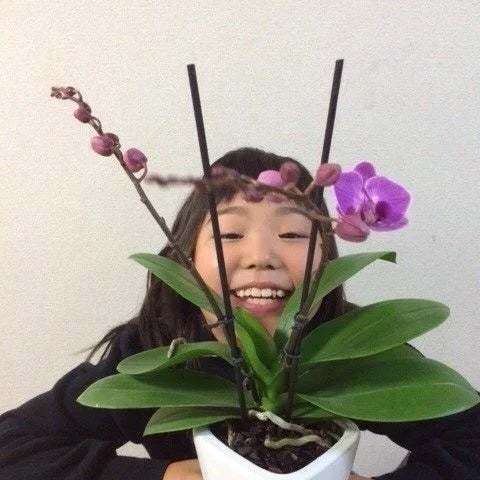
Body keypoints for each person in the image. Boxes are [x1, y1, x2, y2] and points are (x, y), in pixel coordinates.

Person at [0, 147, 478, 480]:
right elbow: (13, 447)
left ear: (327, 256)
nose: (261, 256)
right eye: (229, 235)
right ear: (186, 258)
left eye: (293, 235)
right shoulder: (159, 354)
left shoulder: (356, 346)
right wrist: (167, 476)